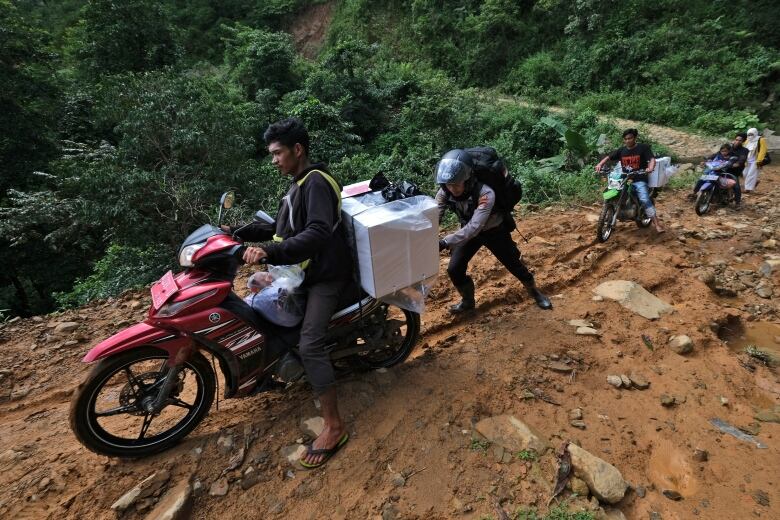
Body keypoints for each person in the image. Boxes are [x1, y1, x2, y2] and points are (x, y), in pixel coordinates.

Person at [233, 118, 352, 469]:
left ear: (297, 150)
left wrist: (270, 252)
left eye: (277, 153)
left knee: (310, 342)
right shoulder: (298, 184)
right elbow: (279, 226)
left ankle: (334, 426)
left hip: (325, 277)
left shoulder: (316, 182)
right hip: (303, 272)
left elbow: (315, 232)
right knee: (257, 301)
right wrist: (235, 232)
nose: (274, 160)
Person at [435, 149, 552, 313]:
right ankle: (468, 301)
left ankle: (535, 292)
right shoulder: (444, 191)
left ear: (467, 178)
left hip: (494, 231)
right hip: (469, 233)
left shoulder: (486, 193)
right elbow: (435, 215)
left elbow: (475, 226)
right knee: (454, 268)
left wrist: (445, 242)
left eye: (456, 183)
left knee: (515, 265)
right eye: (448, 184)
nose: (452, 188)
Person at [595, 128, 663, 233]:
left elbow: (652, 159)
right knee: (611, 192)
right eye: (626, 139)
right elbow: (608, 157)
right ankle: (611, 215)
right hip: (625, 178)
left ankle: (657, 224)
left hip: (639, 178)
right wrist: (600, 164)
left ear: (635, 138)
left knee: (644, 199)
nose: (628, 141)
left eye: (630, 138)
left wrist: (650, 168)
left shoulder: (643, 148)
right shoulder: (622, 150)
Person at [744, 128, 768, 193]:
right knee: (744, 173)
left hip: (755, 161)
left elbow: (763, 150)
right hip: (747, 161)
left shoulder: (761, 140)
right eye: (748, 134)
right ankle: (754, 182)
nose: (750, 136)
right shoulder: (747, 141)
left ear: (755, 133)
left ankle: (748, 189)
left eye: (751, 134)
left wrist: (759, 161)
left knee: (751, 174)